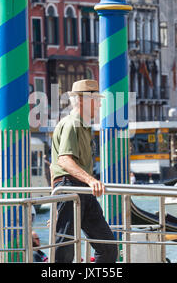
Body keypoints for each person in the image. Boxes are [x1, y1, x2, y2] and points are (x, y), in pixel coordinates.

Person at [51, 79, 117, 263]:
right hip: (71, 188)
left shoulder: (84, 127)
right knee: (65, 249)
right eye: (96, 99)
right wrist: (90, 180)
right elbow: (63, 160)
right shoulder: (72, 124)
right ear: (83, 101)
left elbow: (53, 166)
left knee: (108, 248)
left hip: (80, 189)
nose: (100, 103)